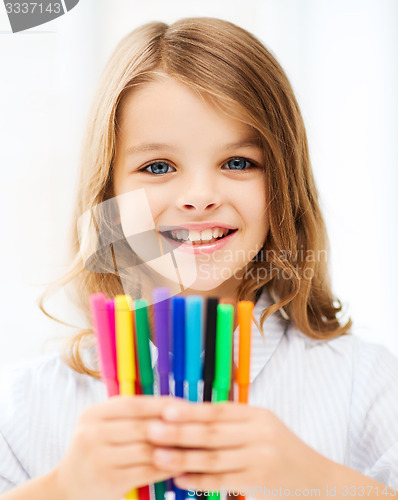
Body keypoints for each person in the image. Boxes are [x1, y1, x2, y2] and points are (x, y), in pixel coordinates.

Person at [1, 16, 397, 500]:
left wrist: (317, 483)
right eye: (158, 166)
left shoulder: (364, 381)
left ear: (284, 186)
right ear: (108, 192)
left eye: (237, 163)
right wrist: (65, 489)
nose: (199, 196)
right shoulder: (27, 406)